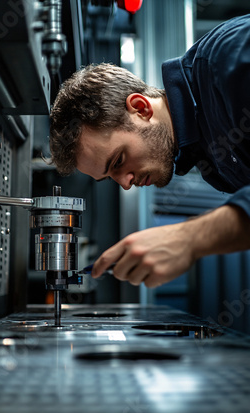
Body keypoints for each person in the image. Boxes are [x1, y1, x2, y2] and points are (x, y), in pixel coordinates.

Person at [49, 14, 250, 288]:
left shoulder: (229, 58)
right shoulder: (204, 154)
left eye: (118, 160)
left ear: (141, 109)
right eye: (110, 177)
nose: (125, 184)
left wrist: (188, 239)